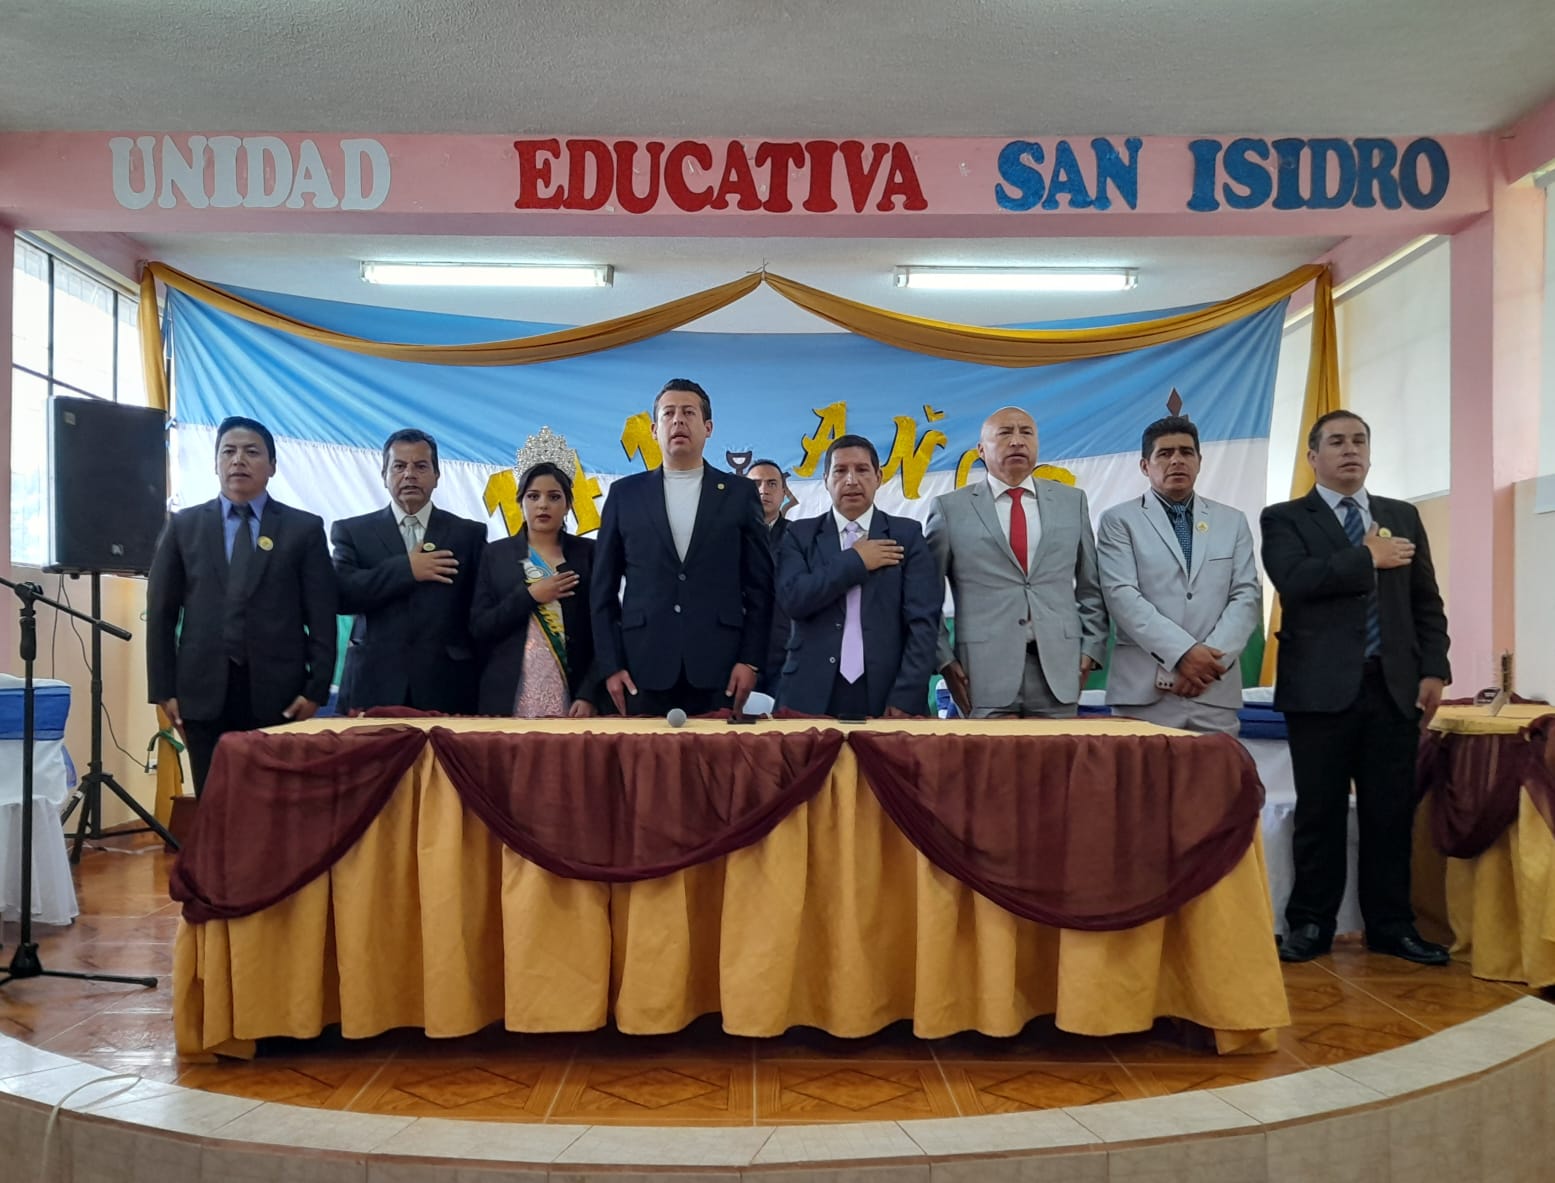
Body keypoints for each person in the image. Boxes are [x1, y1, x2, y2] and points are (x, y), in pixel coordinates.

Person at [1262, 410, 1451, 966]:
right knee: (1318, 814)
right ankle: (1310, 924)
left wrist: (1434, 668)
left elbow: (1425, 601)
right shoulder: (1285, 518)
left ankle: (1391, 925)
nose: (1350, 450)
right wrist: (1365, 557)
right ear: (1313, 456)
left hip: (1393, 687)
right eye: (1337, 442)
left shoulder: (1401, 516)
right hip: (1318, 690)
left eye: (1359, 441)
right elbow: (1295, 581)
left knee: (1390, 814)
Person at [146, 416, 337, 795]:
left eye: (252, 452)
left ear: (272, 466)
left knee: (274, 802)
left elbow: (321, 615)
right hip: (201, 692)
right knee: (214, 801)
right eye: (228, 452)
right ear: (216, 463)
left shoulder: (303, 529)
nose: (239, 460)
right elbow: (161, 614)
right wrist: (164, 689)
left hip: (279, 695)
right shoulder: (184, 526)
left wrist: (316, 689)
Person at [591, 378, 774, 716]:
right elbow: (602, 591)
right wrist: (610, 665)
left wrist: (750, 660)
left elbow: (760, 587)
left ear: (708, 428)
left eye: (688, 413)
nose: (678, 421)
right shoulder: (624, 495)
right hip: (642, 666)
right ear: (653, 429)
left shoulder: (739, 493)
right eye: (668, 413)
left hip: (720, 666)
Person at [925, 405, 1107, 718]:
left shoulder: (1071, 502)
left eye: (1027, 433)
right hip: (980, 676)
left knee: (1057, 753)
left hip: (1059, 672)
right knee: (988, 754)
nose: (1017, 441)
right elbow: (926, 596)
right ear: (981, 450)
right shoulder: (949, 510)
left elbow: (1091, 587)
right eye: (1005, 433)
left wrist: (1091, 648)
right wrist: (944, 660)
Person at [1096, 415, 1261, 734]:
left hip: (1213, 687)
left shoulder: (1233, 521)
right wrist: (1184, 654)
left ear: (1199, 461)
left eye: (1186, 452)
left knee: (1217, 769)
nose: (1176, 460)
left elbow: (1246, 596)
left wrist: (1208, 665)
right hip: (1143, 693)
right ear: (1145, 466)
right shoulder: (1119, 521)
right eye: (1165, 453)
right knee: (1142, 770)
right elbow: (1122, 596)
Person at [776, 435, 939, 717]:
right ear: (826, 480)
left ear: (879, 477)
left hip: (887, 691)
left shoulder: (906, 535)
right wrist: (855, 561)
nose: (851, 480)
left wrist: (906, 697)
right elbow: (793, 599)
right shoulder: (799, 534)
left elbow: (923, 623)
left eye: (862, 470)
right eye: (840, 471)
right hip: (809, 692)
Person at [331, 428, 486, 714]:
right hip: (373, 681)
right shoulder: (352, 531)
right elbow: (342, 595)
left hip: (448, 683)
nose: (409, 475)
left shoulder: (468, 534)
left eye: (421, 466)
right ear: (384, 475)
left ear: (437, 475)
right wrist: (407, 569)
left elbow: (480, 610)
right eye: (399, 466)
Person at [471, 430, 601, 717]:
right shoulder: (495, 555)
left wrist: (590, 693)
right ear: (520, 502)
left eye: (554, 497)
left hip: (574, 696)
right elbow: (480, 627)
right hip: (507, 695)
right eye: (533, 496)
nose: (543, 504)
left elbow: (606, 629)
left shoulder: (589, 554)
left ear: (568, 505)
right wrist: (530, 596)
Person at [748, 458, 793, 698]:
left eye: (772, 484)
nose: (763, 490)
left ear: (784, 492)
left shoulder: (800, 536)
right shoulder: (726, 534)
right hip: (739, 653)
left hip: (787, 649)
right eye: (756, 484)